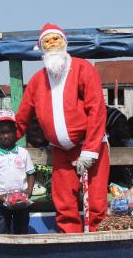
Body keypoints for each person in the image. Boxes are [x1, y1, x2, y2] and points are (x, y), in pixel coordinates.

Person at [13, 23, 109, 233]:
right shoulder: (38, 80)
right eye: (47, 41)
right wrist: (3, 140)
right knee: (64, 200)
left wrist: (90, 150)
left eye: (56, 39)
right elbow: (22, 117)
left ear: (65, 43)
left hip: (90, 147)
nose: (53, 44)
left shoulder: (83, 68)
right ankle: (70, 237)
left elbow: (97, 110)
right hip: (60, 150)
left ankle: (98, 237)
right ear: (41, 47)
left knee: (96, 199)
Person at [0, 110, 35, 234]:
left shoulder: (23, 152)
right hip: (1, 202)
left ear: (15, 132)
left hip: (21, 201)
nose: (6, 136)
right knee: (2, 231)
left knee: (22, 230)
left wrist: (28, 191)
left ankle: (21, 251)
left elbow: (31, 173)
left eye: (9, 132)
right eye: (2, 133)